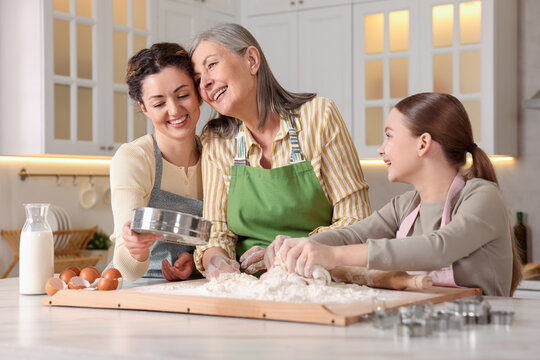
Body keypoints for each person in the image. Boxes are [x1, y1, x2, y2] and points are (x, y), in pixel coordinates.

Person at [266, 92, 522, 296]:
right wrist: (298, 245)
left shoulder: (482, 197)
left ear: (423, 143)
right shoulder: (407, 206)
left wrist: (332, 256)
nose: (381, 149)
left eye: (389, 136)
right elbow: (352, 234)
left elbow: (438, 248)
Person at [189, 23, 371, 278]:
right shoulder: (216, 140)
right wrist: (215, 260)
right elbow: (216, 232)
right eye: (198, 80)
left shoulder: (318, 117)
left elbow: (356, 222)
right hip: (247, 286)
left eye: (211, 65)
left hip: (317, 277)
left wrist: (286, 254)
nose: (205, 83)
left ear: (251, 60)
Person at [109, 43, 203, 282]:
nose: (174, 110)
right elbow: (125, 270)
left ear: (198, 93)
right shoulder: (134, 158)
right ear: (144, 108)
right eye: (159, 103)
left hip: (195, 288)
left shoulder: (215, 154)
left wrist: (196, 261)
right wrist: (136, 250)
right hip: (139, 290)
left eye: (183, 95)